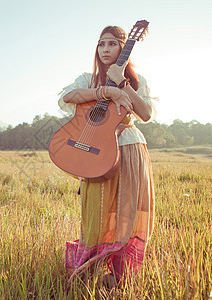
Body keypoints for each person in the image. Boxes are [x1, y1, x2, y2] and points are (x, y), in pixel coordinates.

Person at [58, 25, 156, 287]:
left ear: (124, 48)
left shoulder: (137, 80)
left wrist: (122, 83)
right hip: (97, 151)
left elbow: (146, 114)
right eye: (101, 44)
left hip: (129, 148)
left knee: (126, 212)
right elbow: (69, 97)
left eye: (112, 44)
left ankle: (119, 276)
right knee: (96, 211)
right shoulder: (87, 79)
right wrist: (106, 91)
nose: (105, 49)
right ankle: (87, 273)